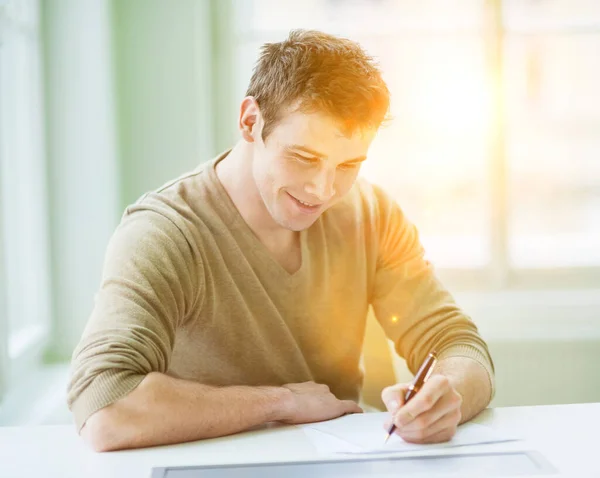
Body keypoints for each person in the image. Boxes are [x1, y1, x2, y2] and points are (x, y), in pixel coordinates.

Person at [67, 29, 494, 452]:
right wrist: (282, 402)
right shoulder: (164, 233)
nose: (324, 190)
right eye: (303, 158)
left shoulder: (372, 213)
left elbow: (457, 342)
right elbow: (105, 408)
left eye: (348, 164)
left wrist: (448, 396)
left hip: (336, 463)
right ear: (251, 121)